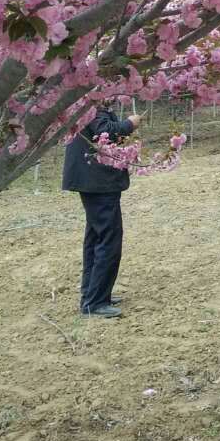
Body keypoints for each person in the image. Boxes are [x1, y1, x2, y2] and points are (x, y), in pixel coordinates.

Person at [62, 106, 140, 318]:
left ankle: (93, 293)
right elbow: (103, 131)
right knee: (108, 239)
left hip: (91, 180)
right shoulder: (93, 99)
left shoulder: (86, 99)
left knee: (96, 238)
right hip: (98, 181)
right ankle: (95, 302)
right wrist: (129, 124)